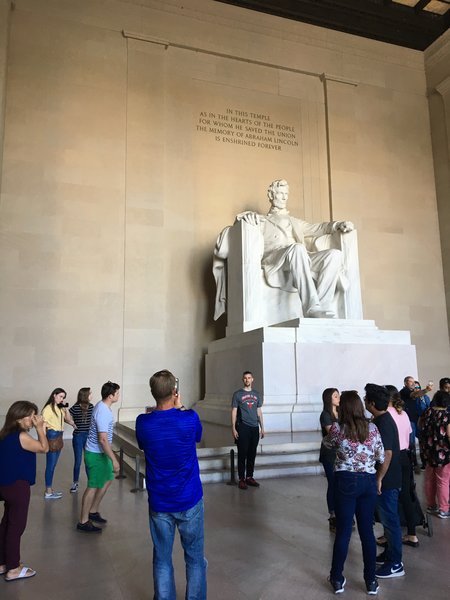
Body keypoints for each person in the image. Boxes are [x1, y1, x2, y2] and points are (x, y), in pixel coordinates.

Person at [135, 370, 207, 600]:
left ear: (153, 393)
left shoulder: (143, 422)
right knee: (195, 559)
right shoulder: (189, 418)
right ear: (175, 392)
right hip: (189, 499)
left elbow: (144, 445)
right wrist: (181, 407)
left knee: (162, 559)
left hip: (160, 501)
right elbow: (198, 436)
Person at [236, 179, 354, 318]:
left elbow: (318, 228)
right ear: (271, 195)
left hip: (299, 256)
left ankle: (323, 305)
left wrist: (338, 225)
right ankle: (311, 307)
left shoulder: (294, 221)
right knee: (297, 248)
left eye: (286, 194)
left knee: (334, 255)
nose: (284, 197)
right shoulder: (261, 220)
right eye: (280, 193)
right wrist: (247, 216)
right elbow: (240, 221)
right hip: (275, 258)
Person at [324, 390, 384, 595]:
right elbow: (380, 455)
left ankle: (337, 578)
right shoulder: (373, 428)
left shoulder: (338, 429)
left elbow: (327, 444)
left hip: (346, 481)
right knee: (367, 533)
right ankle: (371, 581)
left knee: (344, 532)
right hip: (368, 481)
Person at [0, 401, 48, 581]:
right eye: (30, 415)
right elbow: (44, 448)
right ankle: (13, 568)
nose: (33, 419)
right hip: (17, 486)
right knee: (16, 527)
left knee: (6, 523)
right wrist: (40, 428)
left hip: (5, 485)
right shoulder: (21, 436)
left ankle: (2, 562)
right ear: (19, 417)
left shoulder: (4, 434)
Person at [364, 384, 404, 579]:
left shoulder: (384, 422)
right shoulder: (381, 419)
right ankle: (389, 554)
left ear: (371, 403)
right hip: (387, 477)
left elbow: (387, 453)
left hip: (387, 480)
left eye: (366, 399)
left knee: (390, 521)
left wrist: (379, 478)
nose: (364, 401)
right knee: (387, 520)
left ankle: (396, 563)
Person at [77, 381, 120, 533]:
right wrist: (114, 459)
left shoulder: (102, 406)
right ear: (110, 396)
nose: (118, 395)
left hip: (100, 453)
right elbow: (102, 439)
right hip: (96, 454)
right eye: (117, 393)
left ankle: (93, 511)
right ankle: (83, 521)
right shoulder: (102, 411)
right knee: (93, 486)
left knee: (108, 478)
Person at [385, 385, 418, 547]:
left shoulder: (386, 415)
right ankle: (412, 534)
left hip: (393, 457)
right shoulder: (403, 413)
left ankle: (388, 535)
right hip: (405, 455)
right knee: (406, 495)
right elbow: (409, 434)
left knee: (388, 496)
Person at [419, 390, 450, 519]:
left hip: (428, 451)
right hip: (443, 453)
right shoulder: (447, 416)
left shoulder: (426, 413)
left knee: (429, 479)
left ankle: (431, 505)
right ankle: (444, 509)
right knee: (443, 481)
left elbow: (420, 427)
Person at [231, 371, 265, 490]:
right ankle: (241, 478)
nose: (247, 380)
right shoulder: (237, 394)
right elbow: (234, 411)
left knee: (252, 453)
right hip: (243, 426)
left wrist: (262, 427)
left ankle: (250, 476)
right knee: (242, 453)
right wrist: (233, 428)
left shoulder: (256, 394)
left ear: (252, 379)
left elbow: (259, 411)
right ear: (243, 380)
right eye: (245, 378)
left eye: (249, 378)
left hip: (254, 427)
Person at [42, 387, 76, 499]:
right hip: (52, 435)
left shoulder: (59, 407)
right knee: (50, 465)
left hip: (59, 436)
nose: (62, 399)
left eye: (63, 397)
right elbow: (43, 424)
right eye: (60, 396)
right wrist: (42, 441)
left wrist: (65, 408)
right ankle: (48, 491)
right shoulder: (48, 409)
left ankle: (50, 489)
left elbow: (68, 419)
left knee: (53, 464)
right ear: (54, 395)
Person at [400, 376, 433, 471]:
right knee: (411, 443)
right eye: (411, 382)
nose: (413, 383)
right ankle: (414, 464)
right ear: (406, 383)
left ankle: (424, 462)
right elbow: (414, 395)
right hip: (409, 420)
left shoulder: (421, 396)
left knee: (423, 440)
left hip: (418, 419)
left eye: (414, 382)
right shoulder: (404, 391)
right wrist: (426, 390)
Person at [318, 388, 340, 532]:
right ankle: (333, 514)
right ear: (328, 399)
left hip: (341, 453)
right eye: (335, 396)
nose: (339, 398)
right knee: (333, 483)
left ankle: (342, 513)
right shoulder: (325, 415)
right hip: (330, 453)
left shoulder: (342, 413)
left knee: (340, 484)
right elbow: (332, 433)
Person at [69, 387, 94, 493]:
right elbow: (66, 417)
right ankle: (75, 483)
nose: (92, 395)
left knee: (88, 460)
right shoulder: (75, 408)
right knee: (78, 461)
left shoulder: (91, 407)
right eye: (90, 393)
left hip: (87, 436)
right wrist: (72, 424)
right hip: (78, 436)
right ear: (85, 395)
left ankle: (90, 482)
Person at [414, 380, 431, 470]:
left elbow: (429, 407)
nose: (417, 389)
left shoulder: (425, 397)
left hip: (426, 421)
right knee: (421, 443)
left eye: (418, 388)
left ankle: (428, 461)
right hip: (417, 421)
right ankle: (423, 463)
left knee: (427, 442)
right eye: (415, 388)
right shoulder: (413, 398)